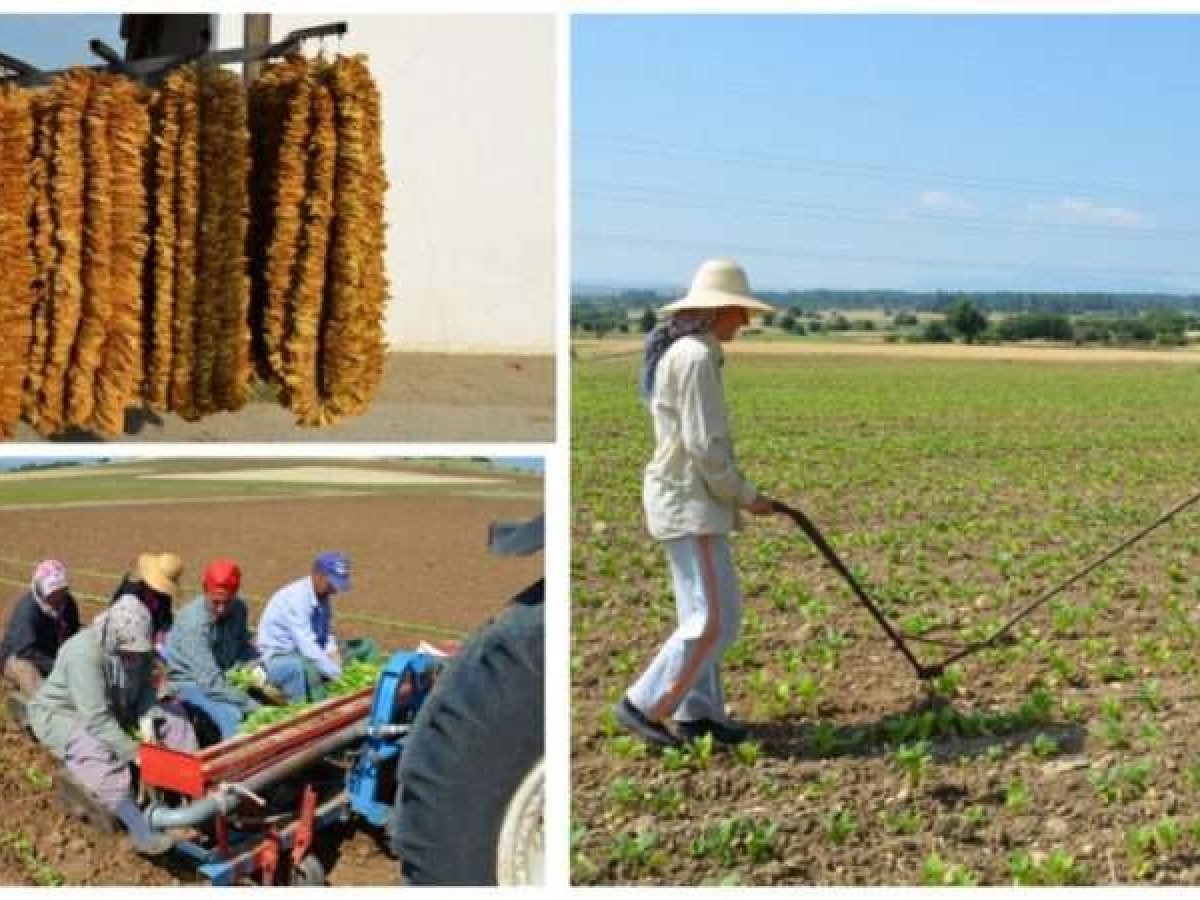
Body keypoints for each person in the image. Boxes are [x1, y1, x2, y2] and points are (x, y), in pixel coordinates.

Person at [615, 258, 782, 749]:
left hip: (688, 500)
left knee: (702, 612)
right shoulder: (695, 357)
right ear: (717, 310)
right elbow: (705, 445)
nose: (746, 322)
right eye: (739, 311)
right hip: (690, 502)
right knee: (715, 619)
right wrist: (747, 496)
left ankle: (699, 712)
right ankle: (644, 704)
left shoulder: (691, 351)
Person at [28, 595, 198, 856]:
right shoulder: (82, 653)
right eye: (128, 655)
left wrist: (151, 719)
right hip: (66, 714)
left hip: (118, 708)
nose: (135, 659)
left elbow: (144, 692)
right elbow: (95, 718)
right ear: (113, 640)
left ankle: (193, 791)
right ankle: (139, 828)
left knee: (173, 714)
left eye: (138, 654)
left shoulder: (138, 647)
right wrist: (136, 753)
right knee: (94, 744)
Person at [166, 559, 264, 742]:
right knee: (232, 715)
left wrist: (256, 666)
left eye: (227, 602)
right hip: (190, 681)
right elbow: (209, 682)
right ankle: (233, 766)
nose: (221, 609)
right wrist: (250, 704)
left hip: (224, 674)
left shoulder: (239, 609)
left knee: (281, 674)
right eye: (216, 602)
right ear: (205, 590)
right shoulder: (193, 623)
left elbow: (243, 646)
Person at [255, 552, 352, 703]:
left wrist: (333, 652)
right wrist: (338, 675)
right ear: (317, 575)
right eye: (331, 584)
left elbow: (326, 632)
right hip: (278, 657)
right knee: (306, 667)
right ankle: (306, 708)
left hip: (301, 651)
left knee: (355, 648)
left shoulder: (322, 595)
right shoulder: (297, 599)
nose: (335, 590)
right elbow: (307, 646)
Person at [1, 560, 81, 699]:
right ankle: (42, 709)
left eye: (60, 591)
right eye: (52, 592)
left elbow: (73, 635)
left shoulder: (69, 604)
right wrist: (56, 666)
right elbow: (25, 650)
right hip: (18, 656)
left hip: (50, 657)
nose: (57, 596)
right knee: (27, 672)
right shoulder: (28, 609)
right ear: (39, 589)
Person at [111, 552, 182, 657]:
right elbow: (118, 620)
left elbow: (166, 617)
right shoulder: (130, 591)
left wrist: (162, 632)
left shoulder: (164, 594)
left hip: (151, 643)